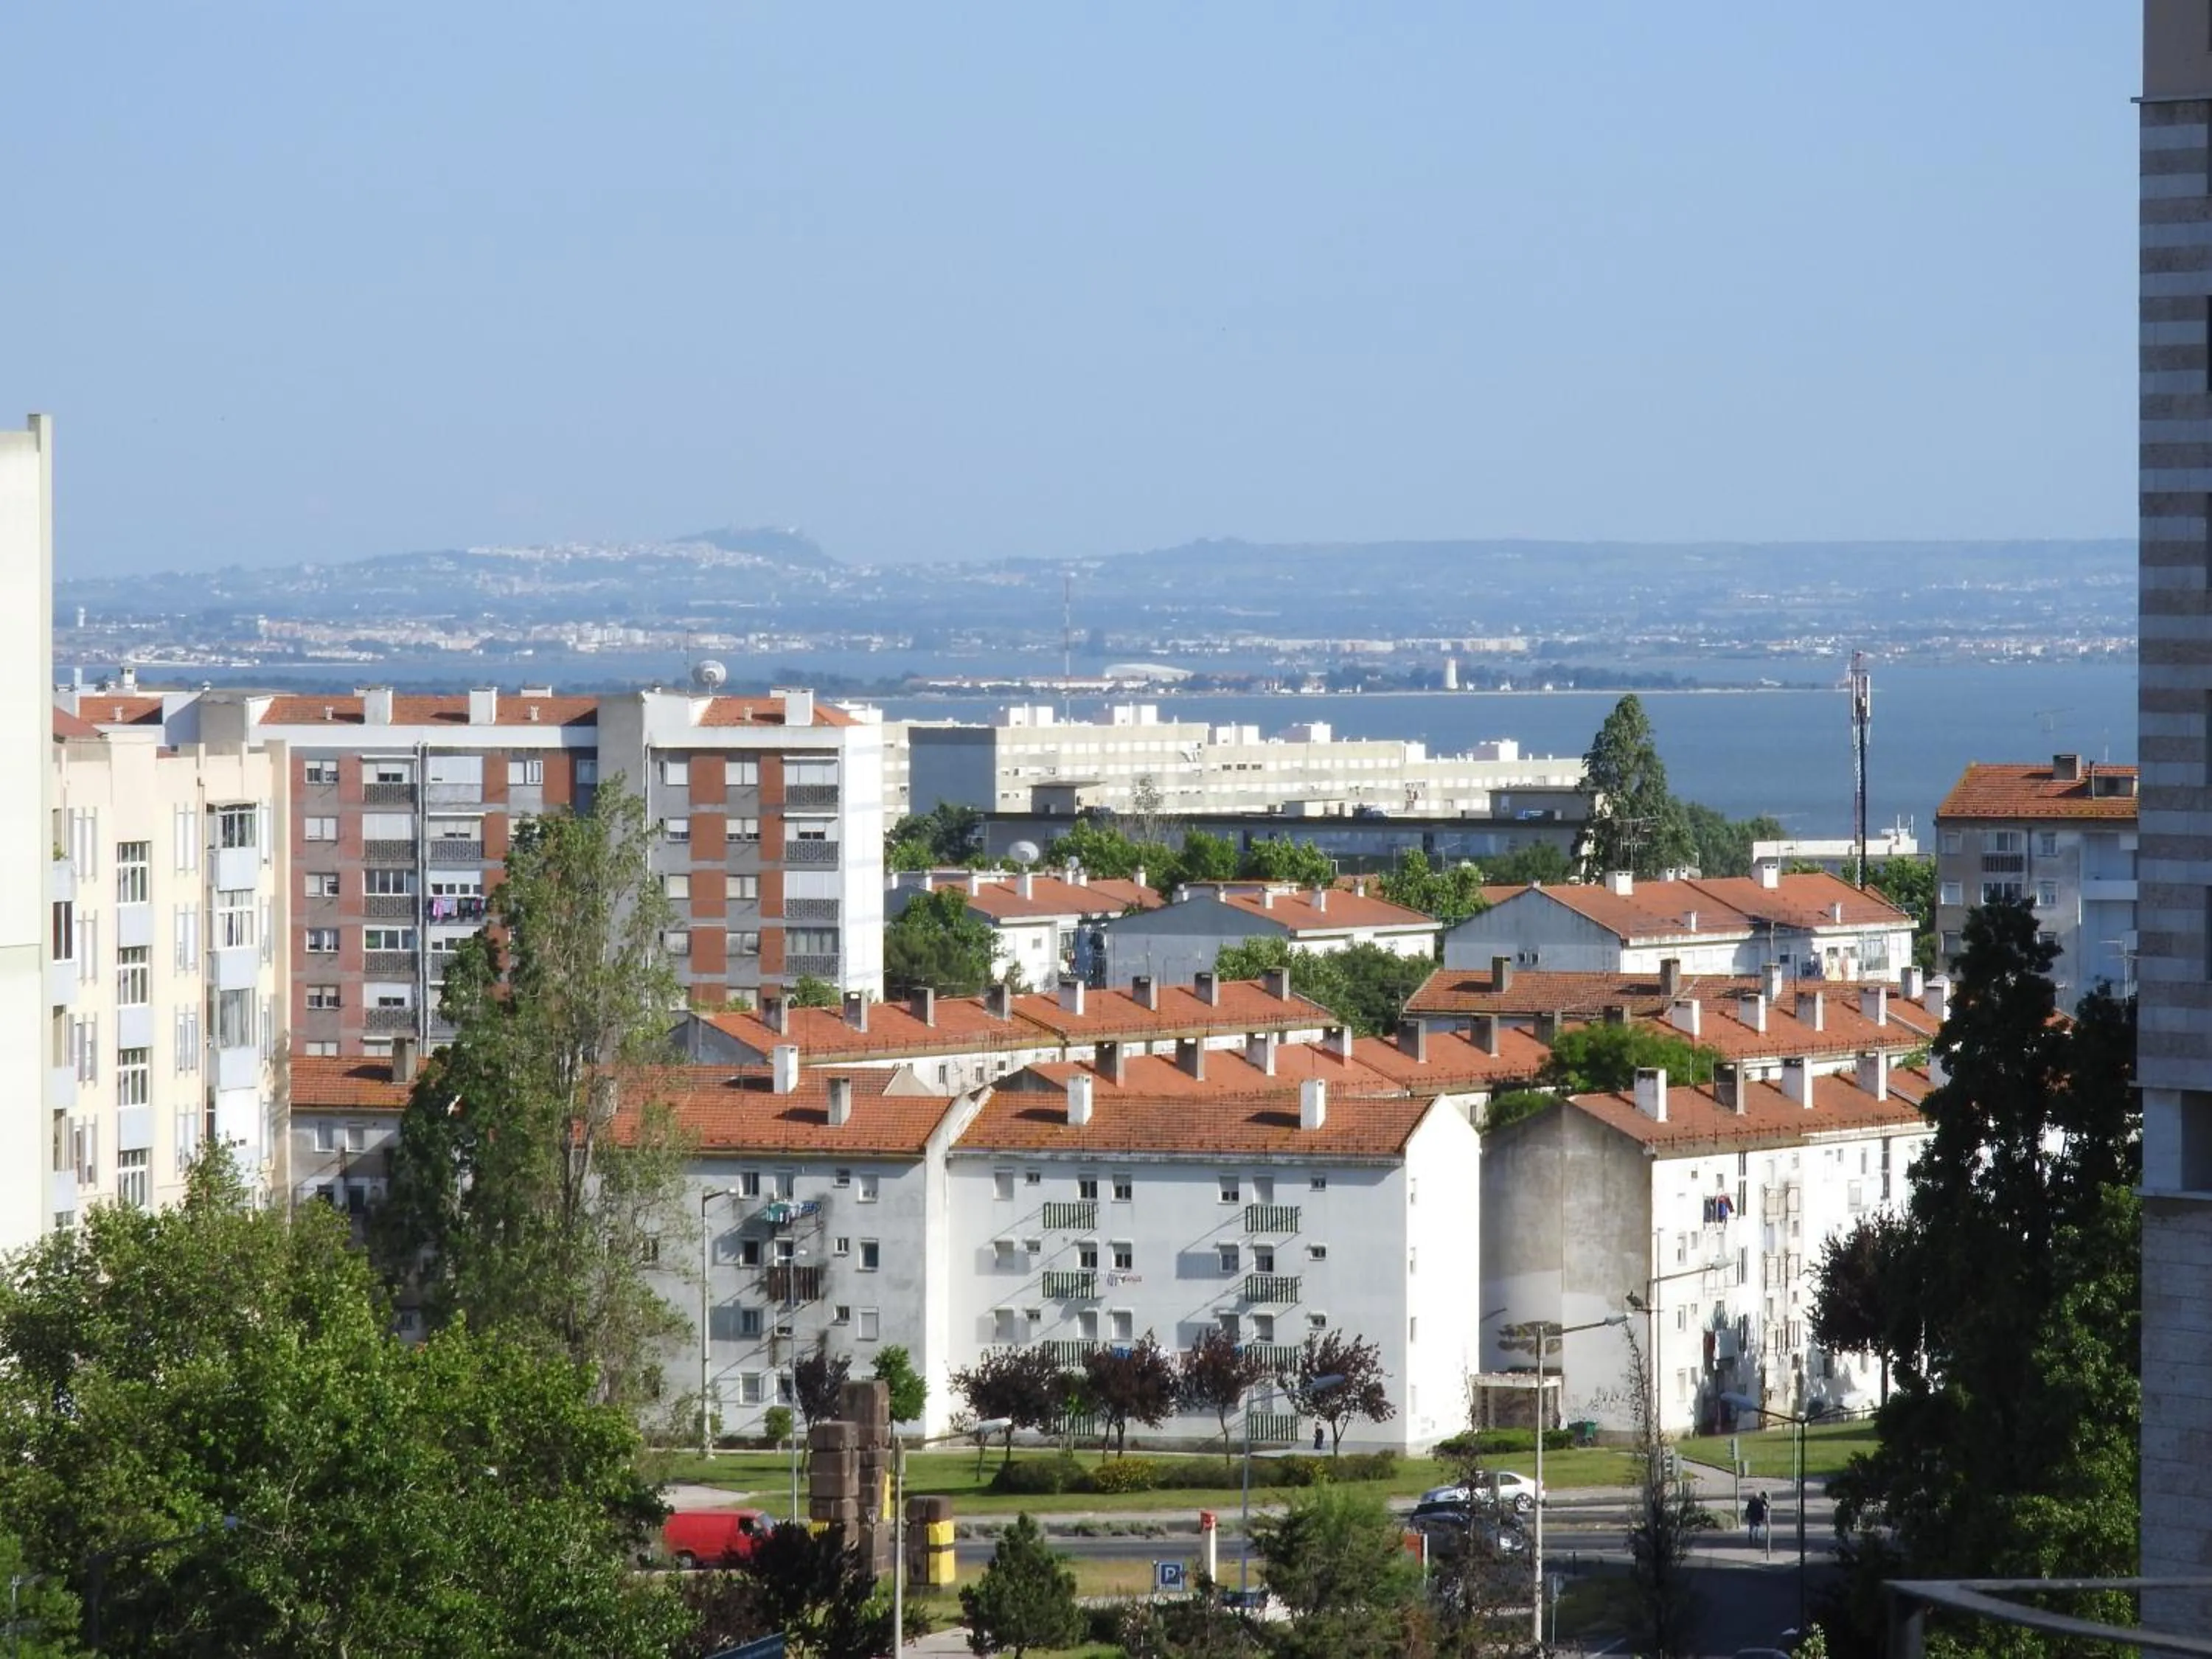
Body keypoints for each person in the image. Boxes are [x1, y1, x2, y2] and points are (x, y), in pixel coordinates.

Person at [1745, 1490, 1771, 1554]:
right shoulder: (1759, 1501)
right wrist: (1762, 1518)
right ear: (1762, 1496)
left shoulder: (1754, 1500)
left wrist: (1747, 1515)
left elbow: (1748, 1508)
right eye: (1764, 1497)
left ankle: (1752, 1540)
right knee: (1756, 1529)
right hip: (1757, 1517)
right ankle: (1755, 1541)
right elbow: (1762, 1510)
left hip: (1753, 1516)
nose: (1764, 1498)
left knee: (1753, 1529)